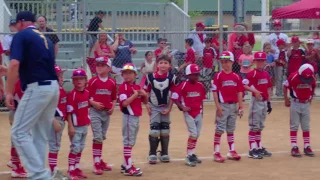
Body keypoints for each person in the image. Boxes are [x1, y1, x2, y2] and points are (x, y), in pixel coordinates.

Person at [5, 11, 59, 180]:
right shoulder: (46, 39)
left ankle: (39, 175)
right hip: (52, 87)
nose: (15, 28)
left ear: (21, 23)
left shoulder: (22, 36)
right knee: (40, 134)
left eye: (15, 25)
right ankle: (40, 173)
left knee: (18, 132)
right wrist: (9, 71)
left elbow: (14, 65)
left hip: (38, 88)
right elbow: (34, 67)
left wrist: (8, 91)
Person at [144, 55, 178, 164]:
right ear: (157, 65)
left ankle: (164, 152)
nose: (163, 65)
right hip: (154, 106)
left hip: (165, 106)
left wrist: (169, 108)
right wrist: (147, 105)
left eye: (166, 63)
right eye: (161, 63)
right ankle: (152, 153)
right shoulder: (150, 77)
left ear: (170, 65)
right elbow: (146, 92)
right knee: (154, 130)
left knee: (165, 130)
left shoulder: (172, 77)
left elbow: (174, 94)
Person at [211, 51, 244, 163]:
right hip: (223, 106)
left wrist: (240, 106)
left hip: (233, 106)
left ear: (232, 62)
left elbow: (239, 92)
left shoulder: (236, 77)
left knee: (230, 129)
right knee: (220, 129)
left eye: (227, 62)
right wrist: (218, 107)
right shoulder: (218, 76)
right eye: (223, 62)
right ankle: (216, 152)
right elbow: (215, 92)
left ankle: (231, 150)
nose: (225, 64)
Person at [171, 64, 206, 167]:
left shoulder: (200, 85)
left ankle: (192, 154)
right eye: (194, 74)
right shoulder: (183, 85)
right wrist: (182, 107)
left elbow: (201, 100)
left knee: (197, 134)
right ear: (188, 75)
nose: (196, 76)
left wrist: (202, 111)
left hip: (198, 112)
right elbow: (174, 97)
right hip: (189, 113)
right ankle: (188, 156)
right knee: (193, 134)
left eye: (197, 74)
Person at [87, 57, 116, 175]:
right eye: (97, 65)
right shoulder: (93, 81)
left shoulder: (112, 82)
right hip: (95, 112)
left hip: (106, 113)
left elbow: (114, 98)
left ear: (109, 68)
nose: (99, 67)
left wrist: (113, 107)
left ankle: (99, 159)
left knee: (101, 137)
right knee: (97, 137)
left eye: (102, 65)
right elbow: (86, 96)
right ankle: (96, 163)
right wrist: (93, 103)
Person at [118, 63, 148, 176]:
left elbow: (145, 101)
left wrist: (144, 94)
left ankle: (125, 164)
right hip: (129, 117)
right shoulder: (123, 87)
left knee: (132, 141)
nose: (127, 75)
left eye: (130, 73)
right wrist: (135, 95)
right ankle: (129, 167)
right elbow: (124, 103)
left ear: (135, 74)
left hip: (135, 117)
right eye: (125, 73)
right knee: (128, 141)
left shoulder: (136, 87)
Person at [242, 51, 273, 160]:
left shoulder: (266, 74)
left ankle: (258, 147)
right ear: (254, 62)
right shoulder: (252, 73)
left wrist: (269, 102)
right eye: (258, 60)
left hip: (264, 102)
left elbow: (268, 88)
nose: (260, 62)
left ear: (265, 61)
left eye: (262, 60)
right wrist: (254, 91)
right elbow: (244, 84)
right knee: (254, 126)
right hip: (256, 102)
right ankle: (252, 149)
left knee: (259, 126)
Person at [283, 64, 316, 157]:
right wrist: (286, 99)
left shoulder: (312, 77)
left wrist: (311, 97)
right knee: (294, 125)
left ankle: (307, 145)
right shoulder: (294, 76)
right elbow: (285, 86)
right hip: (296, 102)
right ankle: (294, 146)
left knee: (306, 126)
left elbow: (313, 87)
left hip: (305, 103)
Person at [66, 68, 90, 180]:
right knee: (75, 148)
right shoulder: (72, 95)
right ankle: (71, 170)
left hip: (84, 125)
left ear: (86, 80)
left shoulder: (87, 93)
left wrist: (88, 119)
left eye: (81, 78)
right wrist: (70, 126)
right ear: (72, 81)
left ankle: (76, 167)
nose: (79, 81)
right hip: (76, 127)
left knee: (80, 147)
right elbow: (69, 112)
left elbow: (86, 108)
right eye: (76, 79)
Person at [48, 65, 68, 179]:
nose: (61, 77)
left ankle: (53, 169)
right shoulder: (53, 90)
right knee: (54, 146)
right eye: (59, 75)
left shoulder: (59, 88)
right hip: (55, 119)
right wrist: (53, 120)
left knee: (56, 144)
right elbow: (46, 106)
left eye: (61, 75)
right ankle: (53, 171)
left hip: (60, 119)